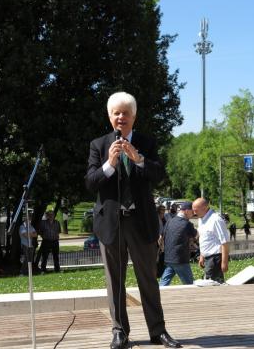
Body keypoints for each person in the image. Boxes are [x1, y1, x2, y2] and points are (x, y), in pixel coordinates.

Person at [85, 92, 181, 349]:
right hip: (111, 224)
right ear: (109, 116)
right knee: (114, 281)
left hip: (141, 222)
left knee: (148, 279)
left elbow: (159, 175)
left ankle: (158, 331)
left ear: (134, 116)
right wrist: (110, 163)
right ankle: (119, 332)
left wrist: (138, 159)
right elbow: (91, 182)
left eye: (125, 113)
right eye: (116, 113)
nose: (120, 117)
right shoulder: (99, 145)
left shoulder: (147, 143)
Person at [159, 202, 198, 286]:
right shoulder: (187, 224)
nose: (194, 214)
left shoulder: (169, 221)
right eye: (192, 211)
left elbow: (161, 237)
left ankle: (156, 298)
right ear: (187, 211)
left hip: (168, 258)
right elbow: (196, 236)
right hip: (181, 259)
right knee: (190, 285)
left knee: (163, 284)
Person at [192, 197, 230, 284]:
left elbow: (225, 242)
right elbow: (204, 239)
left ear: (204, 208)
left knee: (213, 285)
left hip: (215, 258)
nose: (194, 213)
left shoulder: (216, 220)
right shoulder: (201, 219)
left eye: (196, 210)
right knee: (209, 284)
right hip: (207, 258)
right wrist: (202, 256)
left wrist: (224, 263)